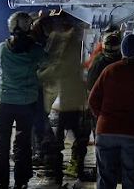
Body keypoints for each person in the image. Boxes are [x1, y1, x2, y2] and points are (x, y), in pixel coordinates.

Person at [88, 34, 134, 189]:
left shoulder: (109, 71)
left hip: (106, 131)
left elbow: (92, 99)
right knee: (132, 178)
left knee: (105, 177)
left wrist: (103, 118)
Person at [0, 12, 49, 189]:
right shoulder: (35, 49)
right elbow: (48, 61)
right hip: (27, 103)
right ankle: (21, 182)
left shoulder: (2, 47)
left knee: (1, 143)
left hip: (5, 100)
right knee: (23, 144)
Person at [38, 14, 90, 184]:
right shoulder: (73, 51)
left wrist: (37, 75)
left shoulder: (65, 55)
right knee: (75, 135)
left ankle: (56, 172)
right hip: (74, 102)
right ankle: (77, 167)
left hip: (69, 103)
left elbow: (55, 70)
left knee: (58, 138)